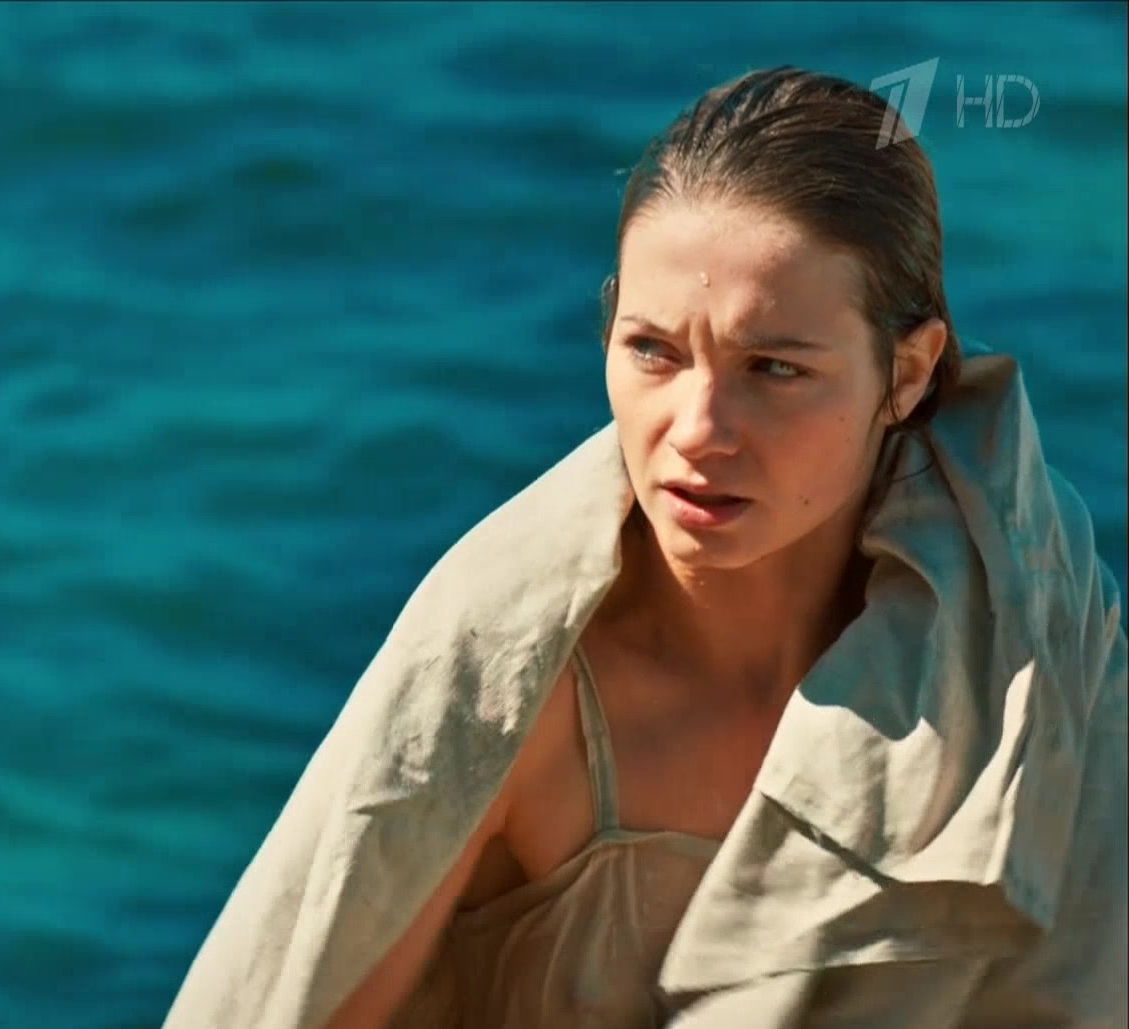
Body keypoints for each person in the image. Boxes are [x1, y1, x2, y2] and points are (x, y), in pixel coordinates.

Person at [163, 67, 1127, 1029]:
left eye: (774, 367)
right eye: (652, 351)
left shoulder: (1025, 629)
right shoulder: (509, 676)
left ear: (907, 373)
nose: (696, 429)